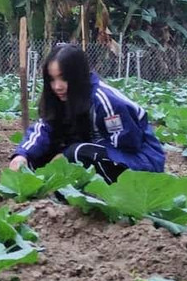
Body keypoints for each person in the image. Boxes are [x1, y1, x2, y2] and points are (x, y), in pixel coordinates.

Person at [9, 44, 164, 182]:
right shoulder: (59, 99)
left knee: (76, 153)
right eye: (52, 79)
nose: (57, 86)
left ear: (78, 76)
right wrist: (22, 155)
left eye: (63, 78)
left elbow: (128, 144)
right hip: (97, 155)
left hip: (139, 163)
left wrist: (70, 152)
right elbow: (43, 129)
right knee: (37, 157)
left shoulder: (106, 101)